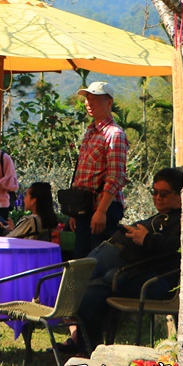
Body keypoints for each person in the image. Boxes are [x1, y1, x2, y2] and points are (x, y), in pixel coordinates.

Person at [67, 167, 183, 353]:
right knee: (82, 289)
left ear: (181, 194)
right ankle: (85, 346)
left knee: (83, 291)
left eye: (164, 193)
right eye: (154, 192)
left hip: (147, 279)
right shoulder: (165, 216)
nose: (157, 198)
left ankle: (89, 350)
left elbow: (177, 250)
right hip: (126, 269)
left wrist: (146, 240)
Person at [71, 81, 128, 258]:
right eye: (87, 98)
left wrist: (101, 211)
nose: (89, 103)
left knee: (95, 263)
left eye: (95, 99)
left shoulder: (114, 134)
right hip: (84, 208)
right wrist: (74, 210)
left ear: (109, 102)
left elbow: (116, 177)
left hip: (102, 209)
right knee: (80, 261)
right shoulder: (90, 132)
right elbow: (81, 174)